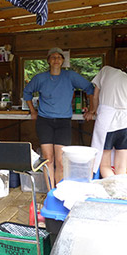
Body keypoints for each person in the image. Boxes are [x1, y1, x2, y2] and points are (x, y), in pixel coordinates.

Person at [23, 47, 95, 189]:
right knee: (48, 159)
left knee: (61, 161)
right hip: (44, 121)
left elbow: (90, 88)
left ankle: (58, 192)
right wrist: (33, 111)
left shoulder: (70, 76)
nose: (56, 59)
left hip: (63, 122)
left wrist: (91, 109)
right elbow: (27, 92)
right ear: (48, 61)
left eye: (59, 57)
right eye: (53, 57)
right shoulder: (40, 78)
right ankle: (51, 193)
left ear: (63, 61)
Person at [84, 66, 127, 178]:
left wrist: (93, 111)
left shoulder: (104, 71)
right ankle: (119, 191)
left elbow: (95, 96)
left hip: (107, 122)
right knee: (121, 167)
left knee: (105, 166)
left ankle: (113, 188)